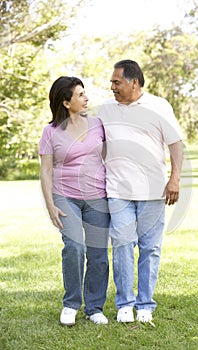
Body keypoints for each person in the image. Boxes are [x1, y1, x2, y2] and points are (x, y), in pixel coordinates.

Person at [97, 60, 183, 323]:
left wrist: (175, 179)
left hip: (153, 191)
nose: (112, 87)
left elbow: (176, 144)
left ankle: (145, 305)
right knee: (122, 245)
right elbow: (95, 144)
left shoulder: (159, 106)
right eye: (112, 82)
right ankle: (125, 304)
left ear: (134, 82)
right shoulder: (104, 110)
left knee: (150, 248)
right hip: (117, 190)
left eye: (116, 82)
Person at [39, 76, 110, 326]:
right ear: (66, 103)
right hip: (65, 196)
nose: (86, 97)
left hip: (97, 197)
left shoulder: (98, 125)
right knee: (75, 247)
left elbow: (105, 158)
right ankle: (71, 304)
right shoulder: (51, 132)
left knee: (98, 253)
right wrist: (50, 205)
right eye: (80, 94)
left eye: (84, 93)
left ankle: (94, 307)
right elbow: (46, 170)